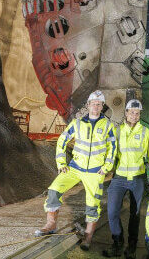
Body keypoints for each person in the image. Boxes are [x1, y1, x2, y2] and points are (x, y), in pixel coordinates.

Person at [35, 90, 116, 252]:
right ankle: (51, 224)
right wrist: (61, 162)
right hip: (74, 168)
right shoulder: (77, 123)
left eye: (99, 104)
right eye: (93, 103)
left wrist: (106, 168)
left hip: (95, 172)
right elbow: (62, 141)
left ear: (102, 106)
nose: (96, 106)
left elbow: (112, 149)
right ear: (88, 105)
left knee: (93, 205)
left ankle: (88, 236)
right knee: (53, 190)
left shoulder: (108, 125)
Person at [103, 99, 149, 258]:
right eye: (131, 112)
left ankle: (131, 245)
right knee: (112, 212)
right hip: (119, 178)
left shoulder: (145, 132)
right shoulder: (117, 131)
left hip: (137, 178)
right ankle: (117, 242)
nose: (134, 116)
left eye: (137, 113)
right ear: (126, 113)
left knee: (134, 214)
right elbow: (111, 153)